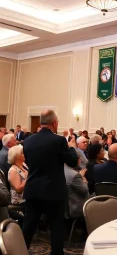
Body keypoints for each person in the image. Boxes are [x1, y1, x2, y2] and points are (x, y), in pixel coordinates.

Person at [22, 109, 78, 255]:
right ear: (54, 123)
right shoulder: (59, 141)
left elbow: (29, 162)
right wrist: (72, 147)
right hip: (54, 190)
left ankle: (19, 251)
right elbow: (72, 161)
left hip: (33, 188)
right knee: (56, 225)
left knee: (29, 224)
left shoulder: (28, 141)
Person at [64, 153, 89, 218]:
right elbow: (85, 191)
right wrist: (82, 177)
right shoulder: (74, 175)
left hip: (64, 207)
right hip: (76, 207)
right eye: (79, 158)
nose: (80, 160)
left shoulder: (62, 169)